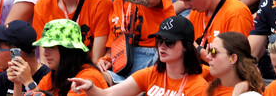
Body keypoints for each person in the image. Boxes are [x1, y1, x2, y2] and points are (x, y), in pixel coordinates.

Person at [71, 15, 208, 96]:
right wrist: (90, 87)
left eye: (170, 42)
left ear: (186, 46)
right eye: (159, 40)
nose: (162, 46)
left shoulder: (198, 87)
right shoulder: (151, 74)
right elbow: (107, 94)